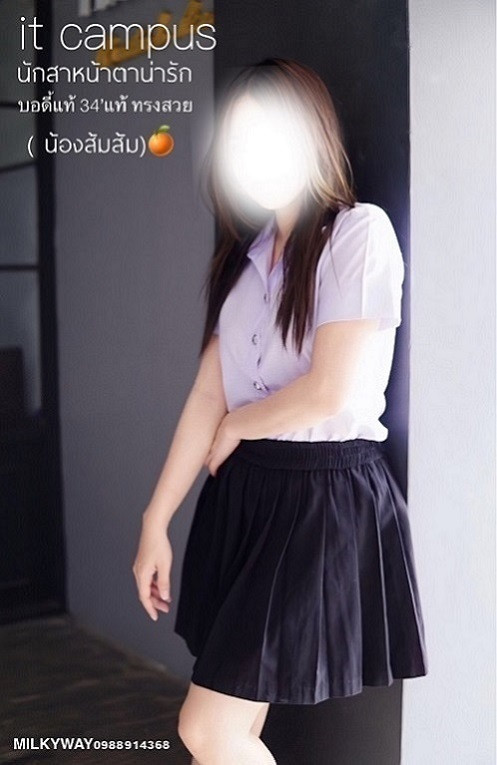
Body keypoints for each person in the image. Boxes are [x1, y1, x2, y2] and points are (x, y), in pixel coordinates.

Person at [132, 57, 428, 765]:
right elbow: (208, 395)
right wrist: (155, 519)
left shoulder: (358, 233)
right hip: (251, 495)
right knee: (224, 731)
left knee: (210, 730)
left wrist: (239, 424)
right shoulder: (246, 256)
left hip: (321, 500)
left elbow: (331, 390)